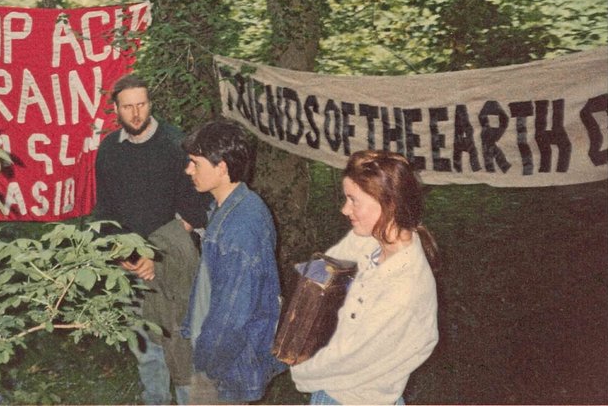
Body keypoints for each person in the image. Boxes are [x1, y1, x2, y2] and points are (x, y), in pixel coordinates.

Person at [93, 74, 210, 405]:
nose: (135, 113)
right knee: (146, 348)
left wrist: (154, 256)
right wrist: (120, 253)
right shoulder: (109, 150)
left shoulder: (176, 145)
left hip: (173, 265)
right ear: (115, 109)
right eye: (127, 107)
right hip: (131, 268)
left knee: (182, 350)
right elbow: (105, 210)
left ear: (150, 104)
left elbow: (194, 213)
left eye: (141, 105)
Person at [290, 150, 440, 405]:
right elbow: (327, 268)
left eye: (353, 200)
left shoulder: (404, 287)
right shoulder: (371, 239)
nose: (344, 209)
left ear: (388, 202)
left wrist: (297, 366)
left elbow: (350, 357)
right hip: (335, 385)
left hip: (356, 397)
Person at [180, 119, 285, 404]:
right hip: (221, 355)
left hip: (225, 365)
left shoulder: (239, 229)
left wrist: (207, 364)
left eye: (195, 163)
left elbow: (232, 315)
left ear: (222, 167)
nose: (188, 170)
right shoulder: (235, 206)